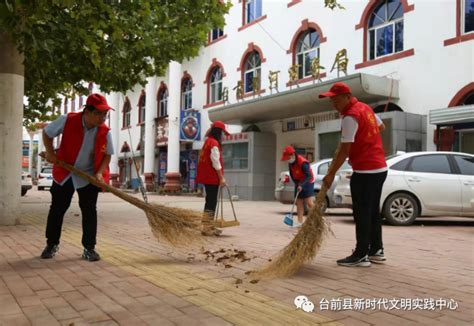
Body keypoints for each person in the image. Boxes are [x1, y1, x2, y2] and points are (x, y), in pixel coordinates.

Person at [40, 94, 115, 261]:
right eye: (99, 113)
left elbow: (107, 156)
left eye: (105, 114)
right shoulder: (67, 120)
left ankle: (89, 248)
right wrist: (51, 153)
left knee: (89, 211)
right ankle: (51, 244)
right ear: (87, 111)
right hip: (65, 171)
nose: (103, 117)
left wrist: (99, 173)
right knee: (57, 208)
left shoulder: (104, 131)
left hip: (88, 175)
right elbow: (47, 132)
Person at [320, 82, 387, 267]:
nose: (334, 104)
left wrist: (331, 174)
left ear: (347, 97)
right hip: (379, 168)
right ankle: (376, 251)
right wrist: (367, 140)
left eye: (337, 99)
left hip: (365, 170)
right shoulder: (365, 108)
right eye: (331, 100)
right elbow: (381, 127)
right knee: (372, 211)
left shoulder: (351, 116)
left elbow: (344, 150)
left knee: (362, 213)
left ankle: (361, 255)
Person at [196, 121, 230, 236]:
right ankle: (207, 227)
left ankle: (207, 226)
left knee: (209, 201)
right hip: (212, 177)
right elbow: (216, 162)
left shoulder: (208, 142)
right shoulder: (214, 143)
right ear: (218, 132)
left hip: (207, 177)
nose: (222, 135)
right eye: (222, 133)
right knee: (211, 202)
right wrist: (221, 178)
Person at [281, 146, 315, 228]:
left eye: (288, 158)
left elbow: (308, 176)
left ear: (293, 155)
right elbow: (292, 175)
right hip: (299, 182)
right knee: (298, 202)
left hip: (308, 182)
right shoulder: (291, 163)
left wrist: (302, 185)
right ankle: (300, 222)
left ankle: (317, 220)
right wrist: (297, 184)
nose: (287, 160)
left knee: (309, 203)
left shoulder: (303, 163)